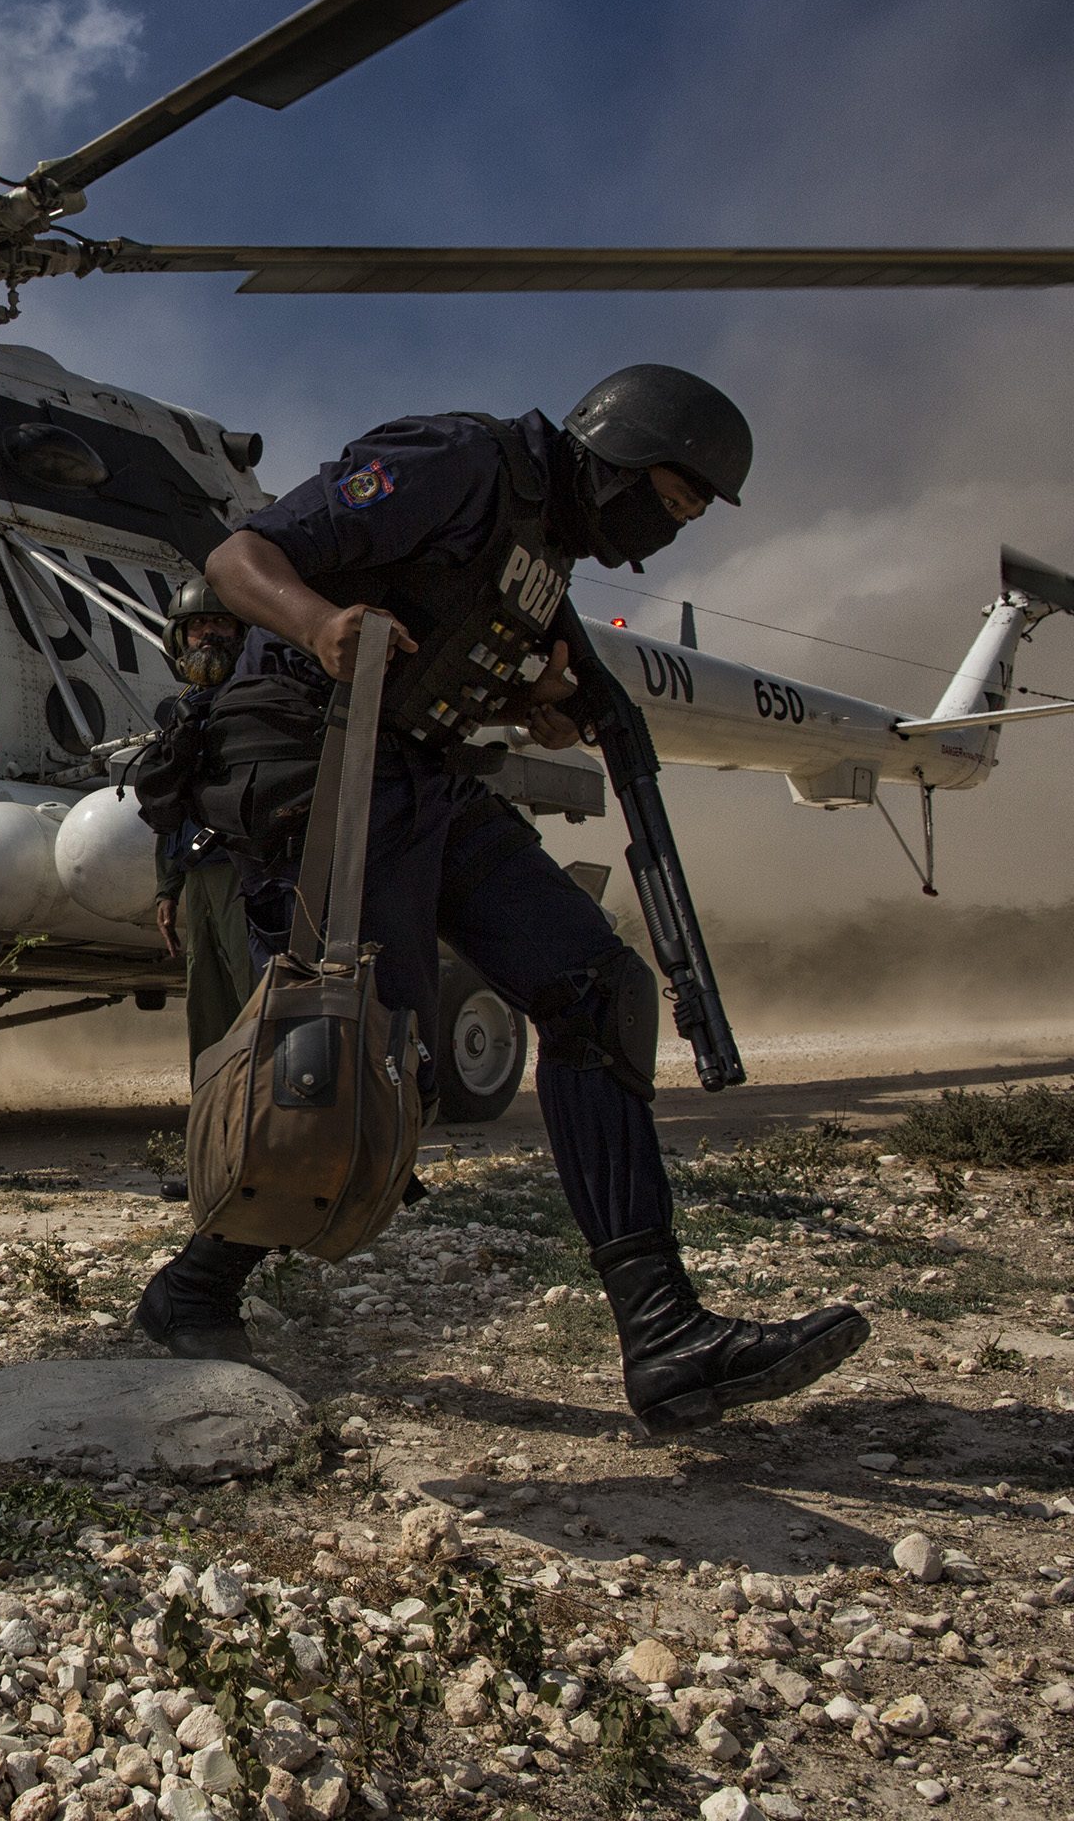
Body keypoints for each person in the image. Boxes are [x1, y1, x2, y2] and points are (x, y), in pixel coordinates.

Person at [132, 365, 870, 1435]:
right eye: (668, 503)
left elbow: (457, 654)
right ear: (620, 458)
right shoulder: (463, 462)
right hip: (315, 756)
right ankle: (194, 1287)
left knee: (596, 990)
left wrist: (534, 704)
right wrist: (320, 621)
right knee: (361, 1062)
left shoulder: (540, 556)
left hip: (420, 771)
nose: (665, 532)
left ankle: (664, 1331)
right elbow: (237, 557)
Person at [139, 578, 255, 1068]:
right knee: (207, 1005)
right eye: (197, 625)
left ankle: (269, 1096)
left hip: (244, 870)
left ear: (241, 633)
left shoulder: (254, 698)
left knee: (255, 992)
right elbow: (171, 801)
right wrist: (167, 889)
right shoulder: (184, 711)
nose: (208, 634)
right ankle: (215, 1100)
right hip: (199, 874)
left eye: (221, 623)